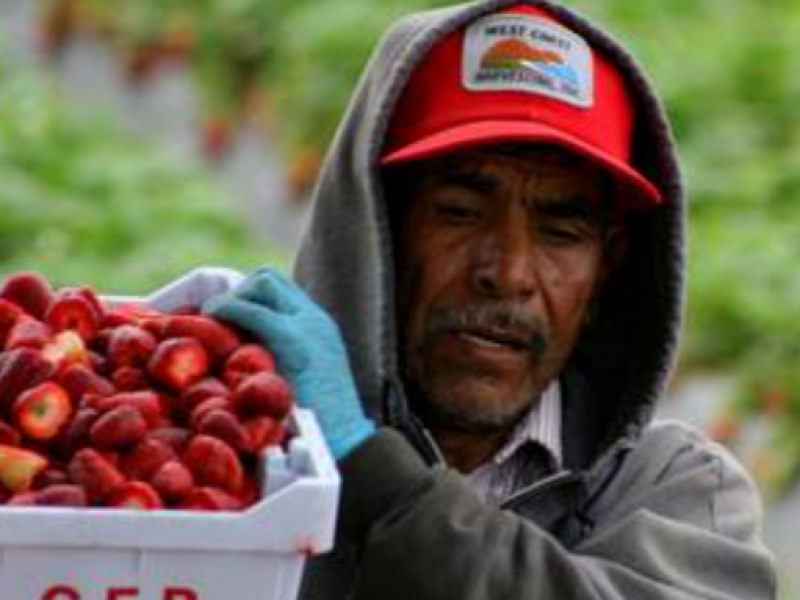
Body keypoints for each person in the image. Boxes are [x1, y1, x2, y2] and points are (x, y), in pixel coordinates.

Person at [205, 1, 777, 598]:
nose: (508, 273)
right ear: (379, 228)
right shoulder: (241, 444)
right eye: (459, 213)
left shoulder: (678, 494)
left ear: (607, 268)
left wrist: (370, 471)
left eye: (562, 232)